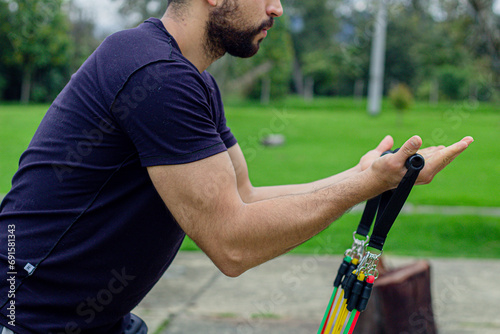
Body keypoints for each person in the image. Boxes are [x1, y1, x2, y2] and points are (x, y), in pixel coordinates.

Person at [0, 0, 473, 333]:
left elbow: (244, 197)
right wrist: (362, 186)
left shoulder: (191, 79)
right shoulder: (155, 73)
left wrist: (370, 176)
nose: (278, 8)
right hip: (25, 318)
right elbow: (233, 243)